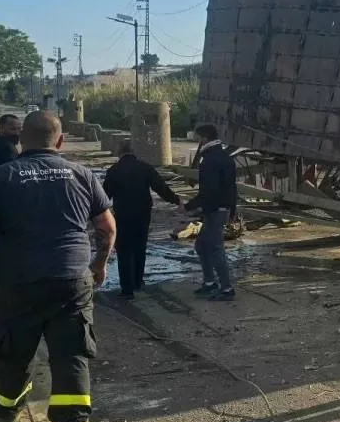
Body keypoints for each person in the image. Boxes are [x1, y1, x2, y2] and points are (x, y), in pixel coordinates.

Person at [0, 111, 116, 422]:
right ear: (60, 141)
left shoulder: (0, 176)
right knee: (72, 358)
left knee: (13, 356)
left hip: (17, 284)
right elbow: (107, 228)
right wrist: (98, 265)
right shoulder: (82, 174)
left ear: (21, 142)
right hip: (71, 283)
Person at [102, 139, 182, 297]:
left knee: (124, 250)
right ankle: (138, 281)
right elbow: (161, 188)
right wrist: (177, 200)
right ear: (133, 151)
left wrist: (95, 214)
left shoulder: (114, 170)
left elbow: (104, 196)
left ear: (120, 152)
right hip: (143, 213)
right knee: (140, 247)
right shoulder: (145, 168)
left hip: (123, 214)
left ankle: (127, 289)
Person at [186, 124, 238, 300]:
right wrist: (233, 210)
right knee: (201, 245)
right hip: (221, 208)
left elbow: (208, 191)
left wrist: (189, 206)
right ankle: (210, 283)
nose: (197, 141)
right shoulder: (224, 157)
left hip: (215, 210)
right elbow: (232, 187)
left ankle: (227, 289)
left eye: (198, 138)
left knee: (215, 248)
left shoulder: (208, 161)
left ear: (204, 139)